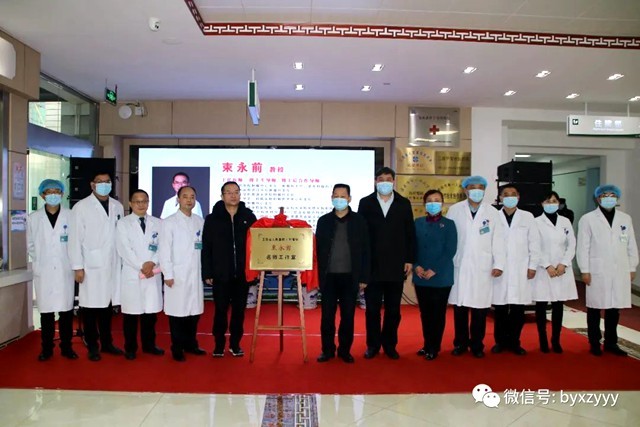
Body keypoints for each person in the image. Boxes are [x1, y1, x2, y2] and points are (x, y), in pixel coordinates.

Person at [357, 166, 415, 360]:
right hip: (372, 266)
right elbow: (361, 235)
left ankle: (390, 345)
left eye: (388, 179)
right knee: (372, 310)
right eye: (380, 179)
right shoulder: (365, 203)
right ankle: (372, 345)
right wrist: (362, 263)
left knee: (393, 310)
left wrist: (409, 259)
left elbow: (409, 233)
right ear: (375, 181)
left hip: (396, 265)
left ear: (393, 181)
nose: (384, 182)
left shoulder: (403, 203)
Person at [447, 175, 505, 358]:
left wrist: (499, 263)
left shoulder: (493, 213)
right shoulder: (455, 210)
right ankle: (460, 343)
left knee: (480, 309)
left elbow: (499, 240)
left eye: (480, 188)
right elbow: (449, 238)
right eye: (473, 187)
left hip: (483, 267)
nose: (477, 191)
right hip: (460, 265)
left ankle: (477, 345)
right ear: (465, 190)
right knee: (460, 308)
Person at [69, 171, 125, 361]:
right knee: (90, 308)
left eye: (107, 181)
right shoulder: (81, 207)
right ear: (92, 185)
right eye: (100, 182)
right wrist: (78, 266)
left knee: (107, 307)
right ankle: (93, 345)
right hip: (90, 265)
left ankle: (107, 343)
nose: (104, 184)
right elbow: (74, 239)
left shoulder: (117, 206)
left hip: (112, 264)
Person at [577, 184, 638, 356]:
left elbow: (631, 244)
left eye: (612, 195)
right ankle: (594, 342)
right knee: (595, 307)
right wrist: (585, 270)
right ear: (598, 198)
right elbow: (583, 247)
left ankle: (611, 342)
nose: (609, 198)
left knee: (614, 307)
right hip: (597, 269)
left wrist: (632, 266)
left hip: (620, 269)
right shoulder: (588, 219)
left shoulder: (625, 219)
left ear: (617, 198)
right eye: (605, 195)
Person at [316, 184, 370, 363]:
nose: (339, 199)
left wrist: (364, 277)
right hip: (328, 277)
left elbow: (366, 250)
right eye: (336, 195)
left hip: (350, 277)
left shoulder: (359, 221)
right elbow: (317, 251)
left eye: (343, 196)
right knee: (327, 317)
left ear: (349, 199)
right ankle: (327, 350)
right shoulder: (323, 221)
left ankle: (345, 351)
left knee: (348, 317)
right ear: (331, 198)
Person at [202, 181, 257, 357]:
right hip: (220, 274)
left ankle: (235, 344)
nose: (233, 195)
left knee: (239, 312)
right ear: (222, 196)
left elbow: (256, 245)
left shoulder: (249, 216)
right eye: (229, 192)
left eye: (236, 192)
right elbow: (206, 247)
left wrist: (254, 270)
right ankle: (219, 345)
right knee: (220, 311)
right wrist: (207, 272)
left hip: (242, 274)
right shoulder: (212, 219)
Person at [27, 179, 78, 361]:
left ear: (62, 194)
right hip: (45, 269)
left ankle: (66, 347)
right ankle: (47, 348)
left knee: (66, 312)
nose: (53, 195)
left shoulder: (71, 216)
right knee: (46, 313)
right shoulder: (33, 218)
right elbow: (30, 244)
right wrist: (42, 258)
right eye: (49, 192)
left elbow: (76, 242)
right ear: (42, 195)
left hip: (65, 269)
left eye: (57, 191)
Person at [491, 184, 540, 356]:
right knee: (500, 308)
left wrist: (532, 266)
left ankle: (514, 342)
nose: (509, 197)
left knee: (518, 309)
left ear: (518, 197)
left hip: (521, 269)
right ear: (500, 198)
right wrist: (494, 265)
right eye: (506, 194)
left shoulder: (527, 217)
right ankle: (500, 342)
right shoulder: (494, 216)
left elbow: (535, 243)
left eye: (513, 194)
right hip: (500, 270)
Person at [116, 189, 164, 360]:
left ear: (148, 203)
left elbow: (162, 247)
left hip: (152, 272)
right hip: (133, 272)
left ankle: (149, 345)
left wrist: (152, 263)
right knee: (131, 315)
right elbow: (124, 249)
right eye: (137, 201)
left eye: (144, 201)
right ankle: (130, 348)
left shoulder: (158, 223)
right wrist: (141, 266)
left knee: (150, 315)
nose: (141, 204)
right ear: (130, 203)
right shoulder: (123, 224)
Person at [159, 186, 206, 361]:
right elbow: (164, 251)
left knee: (194, 313)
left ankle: (191, 344)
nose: (189, 200)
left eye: (192, 197)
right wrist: (168, 274)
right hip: (177, 274)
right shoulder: (168, 222)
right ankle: (177, 348)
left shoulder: (199, 221)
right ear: (178, 199)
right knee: (177, 313)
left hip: (195, 273)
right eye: (185, 196)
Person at [413, 189, 457, 361]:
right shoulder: (417, 222)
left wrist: (434, 269)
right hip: (421, 276)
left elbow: (450, 250)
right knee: (425, 313)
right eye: (430, 200)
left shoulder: (449, 224)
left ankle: (434, 347)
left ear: (442, 203)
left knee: (437, 314)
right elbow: (412, 246)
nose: (433, 203)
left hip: (441, 276)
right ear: (424, 204)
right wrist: (416, 266)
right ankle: (427, 345)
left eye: (437, 200)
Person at [533, 191, 577, 354]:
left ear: (559, 203)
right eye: (547, 201)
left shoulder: (565, 221)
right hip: (543, 270)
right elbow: (534, 246)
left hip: (561, 270)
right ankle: (543, 339)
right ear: (542, 204)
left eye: (554, 201)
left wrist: (563, 263)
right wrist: (547, 265)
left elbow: (571, 244)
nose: (551, 204)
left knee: (558, 306)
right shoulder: (536, 222)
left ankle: (556, 340)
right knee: (541, 305)